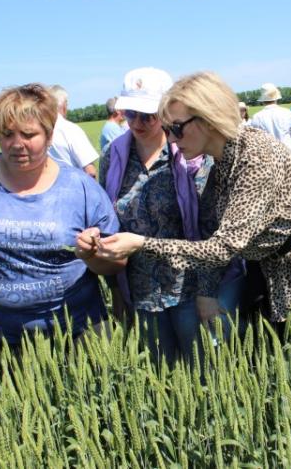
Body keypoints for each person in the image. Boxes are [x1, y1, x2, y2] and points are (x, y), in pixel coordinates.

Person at [90, 72, 291, 351]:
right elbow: (214, 229)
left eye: (176, 128)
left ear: (207, 118)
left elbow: (222, 248)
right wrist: (207, 290)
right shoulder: (222, 160)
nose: (171, 140)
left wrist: (140, 244)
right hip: (276, 272)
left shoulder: (255, 157)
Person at [0, 83, 124, 350]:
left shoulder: (81, 188)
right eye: (7, 134)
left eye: (29, 134)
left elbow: (115, 262)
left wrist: (92, 254)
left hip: (79, 331)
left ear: (50, 135)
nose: (17, 144)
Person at [98, 67, 244, 367]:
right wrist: (116, 290)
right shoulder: (113, 156)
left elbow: (211, 229)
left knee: (206, 375)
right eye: (130, 113)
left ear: (165, 111)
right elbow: (107, 224)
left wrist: (207, 292)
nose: (137, 123)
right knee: (162, 379)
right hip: (141, 293)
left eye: (148, 115)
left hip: (191, 289)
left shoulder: (191, 151)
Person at [48, 85, 99, 179]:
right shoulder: (71, 130)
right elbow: (90, 171)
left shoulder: (40, 132)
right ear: (64, 104)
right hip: (75, 189)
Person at [249, 83, 291, 158]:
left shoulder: (256, 117)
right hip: (289, 156)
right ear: (276, 98)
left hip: (269, 159)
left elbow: (254, 143)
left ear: (262, 100)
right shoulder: (287, 113)